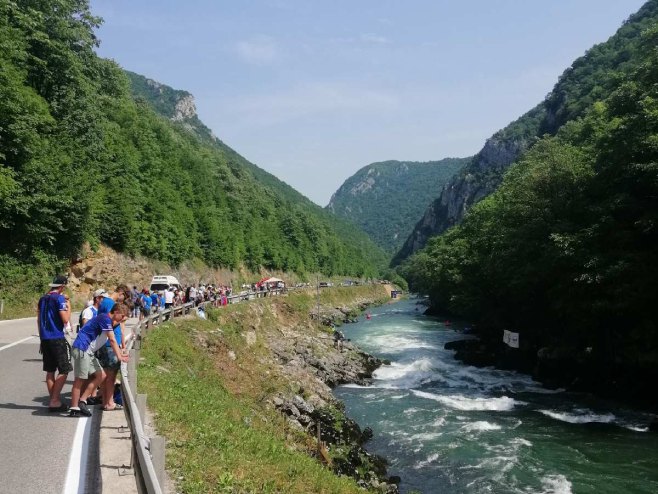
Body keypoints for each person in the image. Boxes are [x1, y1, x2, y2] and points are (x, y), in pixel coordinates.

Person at [69, 304, 129, 417]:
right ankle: (74, 407)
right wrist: (120, 357)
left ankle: (82, 401)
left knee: (101, 375)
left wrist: (121, 353)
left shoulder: (108, 321)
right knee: (80, 379)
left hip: (89, 351)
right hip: (82, 348)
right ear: (116, 312)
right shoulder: (105, 319)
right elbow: (112, 339)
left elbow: (113, 338)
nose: (122, 319)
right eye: (122, 316)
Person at [37, 275, 73, 412]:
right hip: (57, 337)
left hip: (45, 337)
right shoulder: (59, 298)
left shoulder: (43, 299)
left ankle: (54, 399)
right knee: (64, 369)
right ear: (62, 286)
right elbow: (65, 318)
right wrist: (68, 306)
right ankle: (54, 400)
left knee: (50, 370)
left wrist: (41, 337)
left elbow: (38, 319)